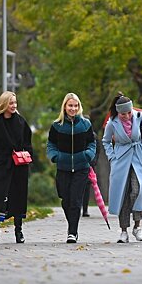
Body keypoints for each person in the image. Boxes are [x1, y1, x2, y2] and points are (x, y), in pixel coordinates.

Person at [0, 91, 33, 244]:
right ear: (3, 104)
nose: (14, 106)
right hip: (0, 167)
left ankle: (18, 229)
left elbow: (28, 143)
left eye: (15, 103)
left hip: (19, 166)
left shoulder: (21, 123)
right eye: (11, 103)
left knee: (19, 196)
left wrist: (26, 155)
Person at [102, 93, 142, 243]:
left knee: (137, 191)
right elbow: (105, 141)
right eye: (123, 114)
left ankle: (137, 227)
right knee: (123, 195)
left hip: (139, 158)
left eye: (129, 112)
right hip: (121, 160)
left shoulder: (140, 117)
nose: (127, 116)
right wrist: (112, 157)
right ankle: (123, 231)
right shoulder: (112, 123)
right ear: (118, 112)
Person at [47, 93, 96, 243]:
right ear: (65, 107)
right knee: (65, 200)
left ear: (79, 107)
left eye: (76, 106)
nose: (73, 108)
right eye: (70, 105)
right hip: (63, 167)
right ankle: (71, 225)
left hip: (81, 167)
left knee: (75, 200)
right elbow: (51, 144)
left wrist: (88, 155)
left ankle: (72, 232)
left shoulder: (86, 124)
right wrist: (55, 156)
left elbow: (92, 143)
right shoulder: (57, 126)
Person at [82, 131, 100, 217]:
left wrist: (94, 161)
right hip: (79, 163)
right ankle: (78, 209)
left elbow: (97, 150)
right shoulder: (76, 132)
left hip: (90, 165)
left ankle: (85, 209)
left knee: (86, 188)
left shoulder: (93, 136)